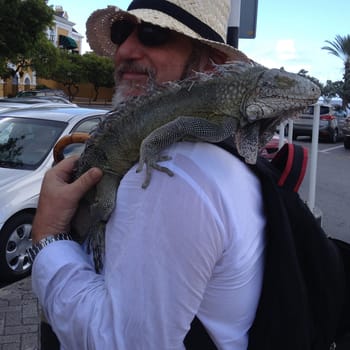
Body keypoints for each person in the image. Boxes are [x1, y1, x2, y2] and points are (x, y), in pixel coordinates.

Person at [29, 1, 266, 349]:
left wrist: (47, 235)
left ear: (210, 64)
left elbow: (115, 342)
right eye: (122, 31)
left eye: (154, 34)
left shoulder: (173, 175)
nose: (124, 49)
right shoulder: (211, 154)